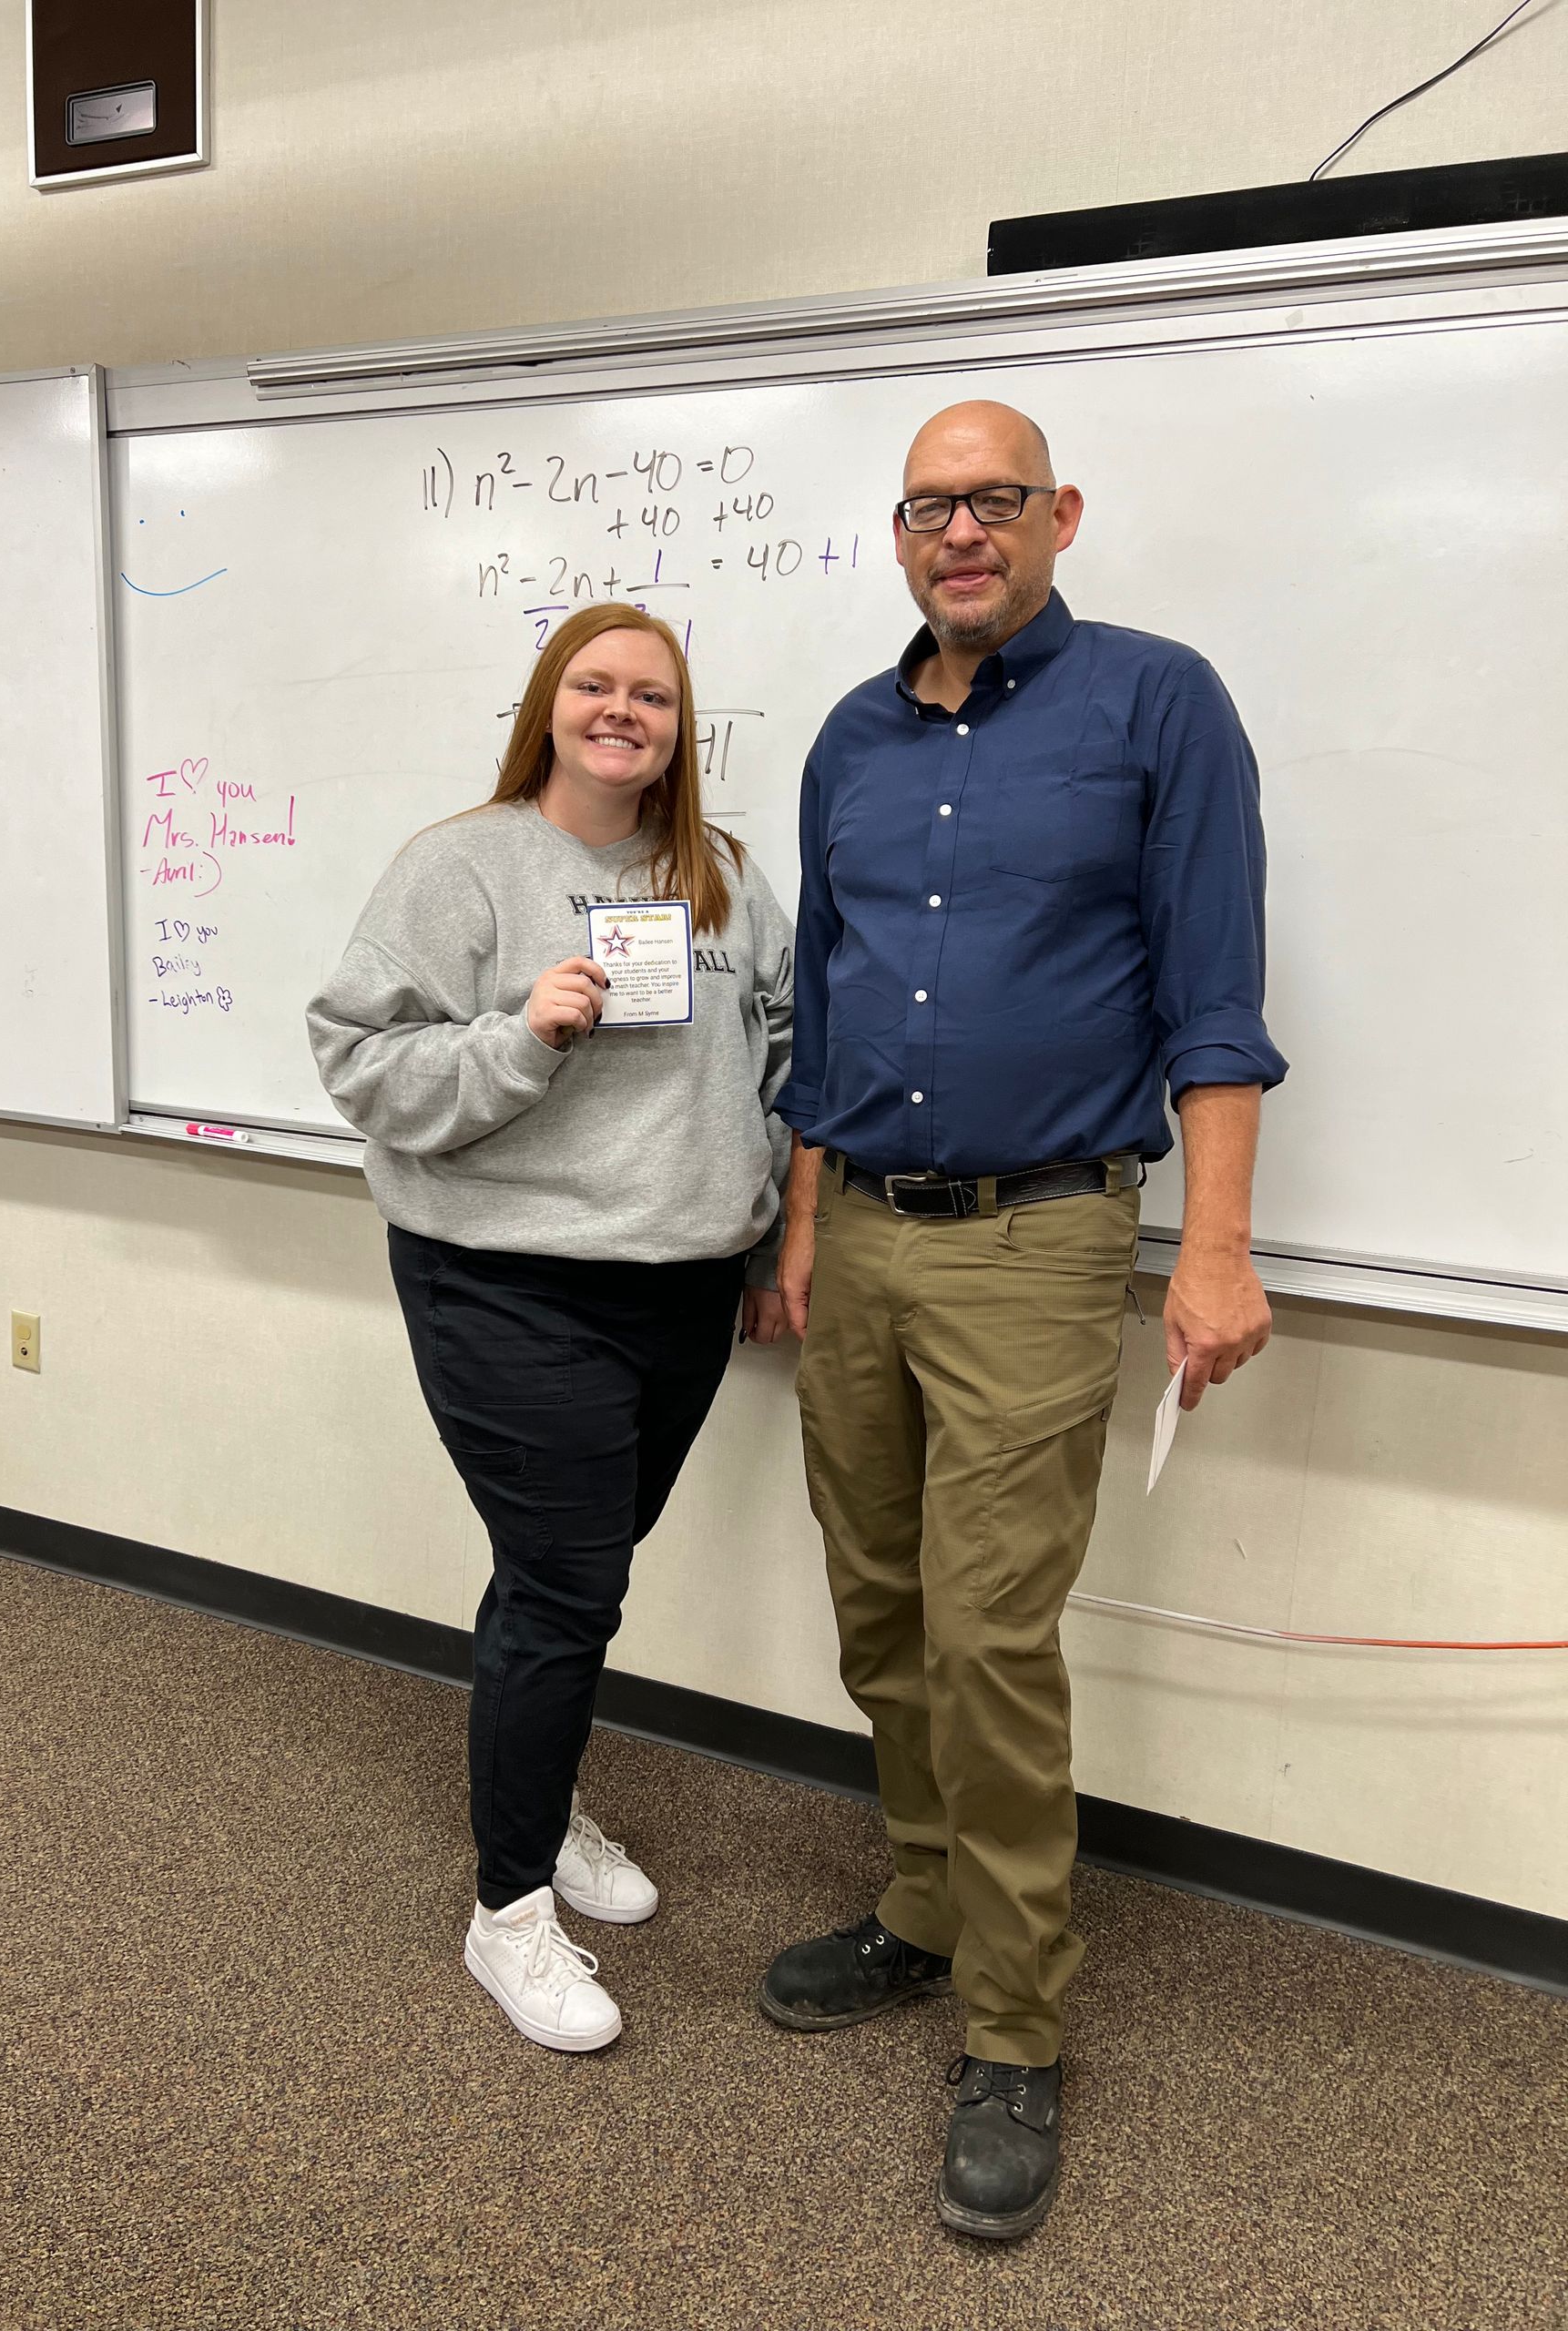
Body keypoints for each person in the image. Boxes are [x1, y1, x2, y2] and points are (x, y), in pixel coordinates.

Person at [759, 402, 1287, 2239]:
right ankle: (922, 1906)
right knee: (881, 1601)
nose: (962, 531)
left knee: (990, 1630)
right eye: (931, 505)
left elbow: (1216, 994)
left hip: (1042, 1239)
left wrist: (1213, 1244)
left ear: (1058, 515)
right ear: (897, 536)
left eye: (996, 500)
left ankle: (1016, 2019)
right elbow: (826, 1006)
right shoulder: (851, 735)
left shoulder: (1156, 703)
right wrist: (807, 1221)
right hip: (867, 1238)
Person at [308, 603, 794, 2053]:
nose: (621, 710)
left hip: (681, 1286)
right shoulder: (462, 864)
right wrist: (523, 1037)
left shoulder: (720, 877)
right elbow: (359, 1055)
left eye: (652, 693)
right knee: (569, 1587)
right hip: (507, 1284)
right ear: (548, 703)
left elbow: (781, 1048)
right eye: (594, 684)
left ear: (678, 725)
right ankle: (508, 1906)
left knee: (568, 1578)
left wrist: (766, 1233)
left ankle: (544, 1785)